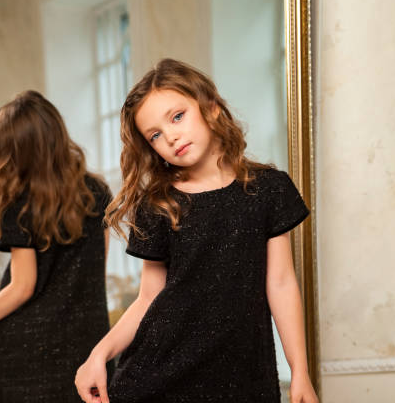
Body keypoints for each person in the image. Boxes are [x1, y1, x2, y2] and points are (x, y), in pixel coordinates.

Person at [75, 59, 319, 403]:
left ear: (212, 107)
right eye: (155, 135)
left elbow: (280, 283)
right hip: (162, 374)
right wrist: (98, 354)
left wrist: (300, 373)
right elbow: (148, 298)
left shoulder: (269, 189)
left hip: (245, 377)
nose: (171, 136)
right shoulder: (157, 204)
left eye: (177, 116)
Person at [0, 90, 114, 402]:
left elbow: (22, 287)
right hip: (84, 345)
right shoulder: (97, 191)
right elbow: (97, 268)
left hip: (24, 353)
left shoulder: (19, 204)